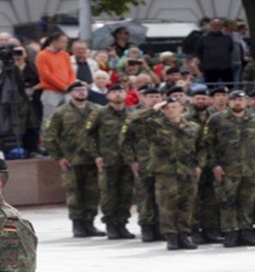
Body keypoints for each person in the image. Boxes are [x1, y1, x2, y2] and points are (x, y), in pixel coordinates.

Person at [199, 91, 255, 247]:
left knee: (247, 202)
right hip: (227, 169)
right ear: (229, 102)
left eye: (241, 100)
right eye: (234, 100)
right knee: (227, 201)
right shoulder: (216, 119)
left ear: (246, 102)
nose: (238, 103)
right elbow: (208, 144)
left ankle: (246, 231)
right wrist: (214, 164)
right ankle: (230, 233)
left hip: (251, 168)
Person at [42, 81, 103, 237]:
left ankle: (89, 223)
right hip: (72, 160)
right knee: (74, 193)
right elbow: (49, 137)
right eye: (77, 90)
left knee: (93, 193)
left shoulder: (96, 110)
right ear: (70, 93)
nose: (81, 93)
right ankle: (78, 225)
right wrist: (59, 157)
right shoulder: (61, 113)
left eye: (83, 90)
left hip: (93, 159)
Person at [148, 99, 203, 250]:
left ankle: (184, 235)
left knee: (187, 204)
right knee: (167, 205)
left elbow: (202, 147)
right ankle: (171, 236)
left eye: (174, 107)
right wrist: (153, 109)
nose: (171, 110)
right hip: (166, 171)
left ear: (182, 109)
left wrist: (199, 165)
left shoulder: (193, 127)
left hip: (187, 170)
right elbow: (134, 123)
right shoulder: (155, 125)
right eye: (167, 108)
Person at [84, 84, 135, 239]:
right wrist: (96, 155)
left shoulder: (131, 114)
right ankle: (111, 224)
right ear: (108, 96)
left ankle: (122, 224)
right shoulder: (99, 113)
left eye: (121, 91)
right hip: (108, 160)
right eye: (114, 92)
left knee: (126, 193)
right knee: (109, 193)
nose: (118, 95)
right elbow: (88, 135)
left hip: (127, 160)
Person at [121, 86, 164, 241]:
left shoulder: (166, 114)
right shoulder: (135, 114)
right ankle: (147, 227)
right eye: (150, 96)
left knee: (162, 196)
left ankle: (160, 227)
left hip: (164, 163)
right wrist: (131, 161)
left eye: (157, 96)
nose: (154, 99)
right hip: (144, 162)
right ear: (143, 98)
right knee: (145, 196)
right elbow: (125, 140)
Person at [34, 34, 73, 124]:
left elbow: (71, 71)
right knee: (49, 119)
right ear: (54, 42)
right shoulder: (42, 55)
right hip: (51, 91)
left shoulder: (65, 54)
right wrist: (63, 86)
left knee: (67, 119)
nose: (66, 44)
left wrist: (70, 85)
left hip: (67, 91)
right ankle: (47, 138)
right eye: (63, 42)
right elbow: (46, 75)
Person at [196, 19, 236, 87]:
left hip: (225, 66)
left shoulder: (227, 38)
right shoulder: (203, 38)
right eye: (212, 25)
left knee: (229, 85)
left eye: (217, 25)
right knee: (210, 86)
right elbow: (199, 51)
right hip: (209, 67)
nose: (215, 27)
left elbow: (230, 49)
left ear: (221, 27)